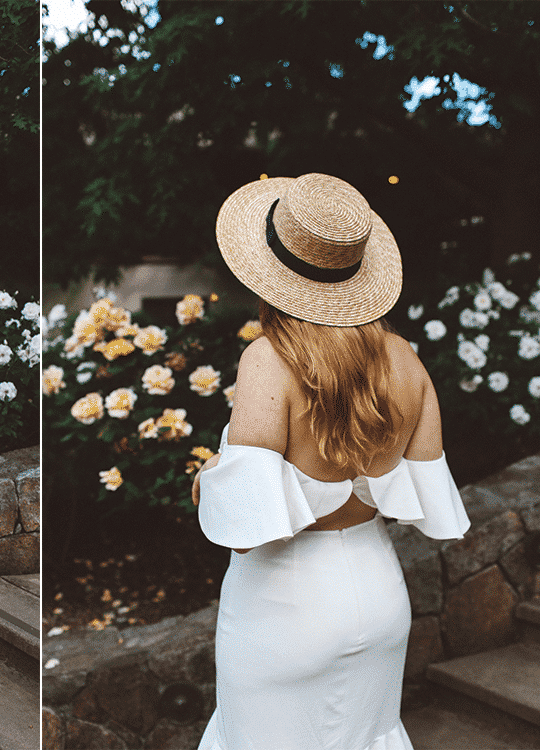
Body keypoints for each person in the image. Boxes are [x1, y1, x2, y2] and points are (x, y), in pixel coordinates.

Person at [190, 173, 470, 750]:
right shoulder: (405, 361)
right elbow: (417, 493)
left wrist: (206, 482)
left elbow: (246, 533)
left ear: (270, 272)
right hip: (376, 590)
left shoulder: (268, 360)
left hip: (283, 604)